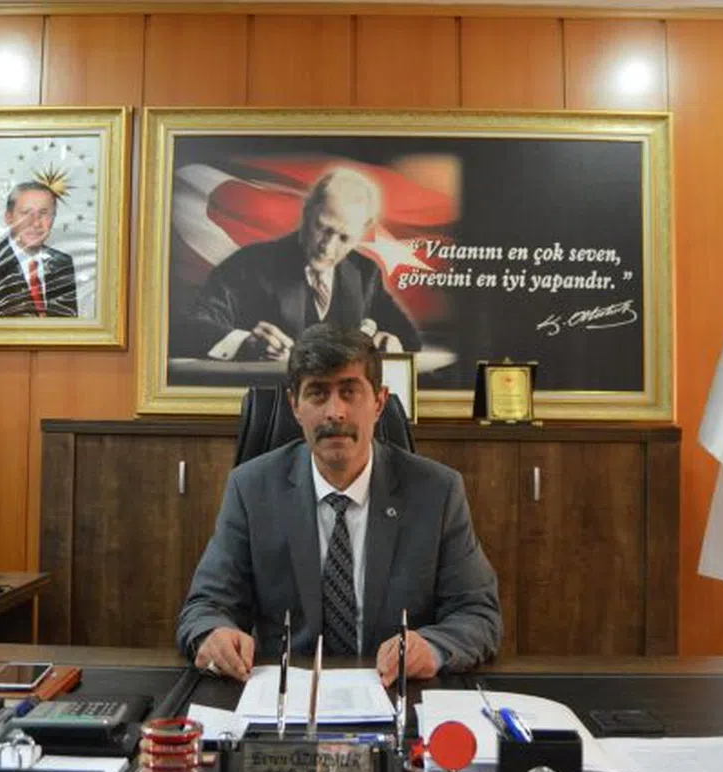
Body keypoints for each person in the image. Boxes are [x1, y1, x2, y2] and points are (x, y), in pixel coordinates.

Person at [176, 324, 501, 684]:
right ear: (295, 406)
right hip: (286, 697)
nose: (335, 412)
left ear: (379, 402)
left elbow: (477, 614)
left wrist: (434, 647)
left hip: (396, 693)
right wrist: (214, 635)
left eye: (350, 392)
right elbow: (205, 607)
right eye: (317, 393)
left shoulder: (436, 492)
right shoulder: (252, 489)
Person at [174, 168, 423, 361]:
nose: (327, 247)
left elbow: (409, 337)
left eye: (344, 238)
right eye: (322, 228)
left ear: (362, 232)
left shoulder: (365, 272)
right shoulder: (247, 266)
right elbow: (190, 328)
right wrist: (245, 342)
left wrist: (390, 340)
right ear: (307, 212)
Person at [0, 181, 78, 318]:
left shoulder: (63, 263)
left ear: (53, 217)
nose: (36, 223)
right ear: (8, 218)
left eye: (44, 213)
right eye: (26, 212)